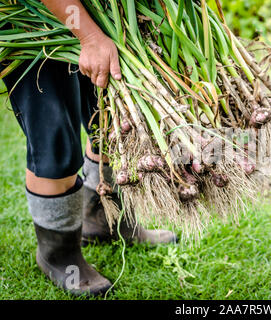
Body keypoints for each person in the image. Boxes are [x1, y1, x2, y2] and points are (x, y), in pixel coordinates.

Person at [1, 0, 177, 296]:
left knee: (112, 116)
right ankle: (58, 255)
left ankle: (105, 218)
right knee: (55, 139)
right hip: (28, 21)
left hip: (94, 12)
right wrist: (90, 37)